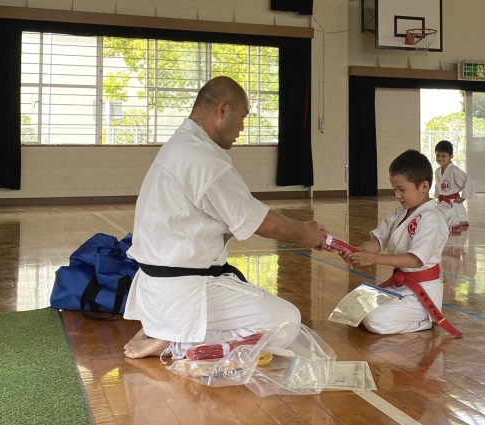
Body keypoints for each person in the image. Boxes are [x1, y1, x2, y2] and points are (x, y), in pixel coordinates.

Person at [122, 76, 326, 359]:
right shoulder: (203, 158)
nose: (242, 127)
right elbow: (262, 224)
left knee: (258, 305)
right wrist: (305, 231)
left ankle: (166, 329)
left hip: (158, 290)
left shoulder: (180, 144)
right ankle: (176, 340)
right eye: (242, 117)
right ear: (222, 110)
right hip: (182, 291)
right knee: (288, 321)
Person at [341, 149, 448, 335]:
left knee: (374, 320)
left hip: (422, 293)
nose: (397, 195)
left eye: (402, 190)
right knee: (355, 305)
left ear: (424, 186)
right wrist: (354, 252)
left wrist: (373, 259)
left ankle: (424, 320)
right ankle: (402, 313)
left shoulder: (432, 218)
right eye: (395, 190)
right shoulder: (399, 213)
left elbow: (415, 260)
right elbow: (377, 241)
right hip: (399, 287)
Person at [433, 140, 475, 228]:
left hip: (453, 205)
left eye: (444, 156)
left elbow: (470, 181)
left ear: (451, 156)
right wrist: (438, 197)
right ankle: (455, 221)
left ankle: (458, 221)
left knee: (437, 220)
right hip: (443, 204)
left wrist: (462, 198)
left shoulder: (454, 171)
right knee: (430, 216)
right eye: (438, 155)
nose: (440, 158)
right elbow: (438, 186)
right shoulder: (437, 171)